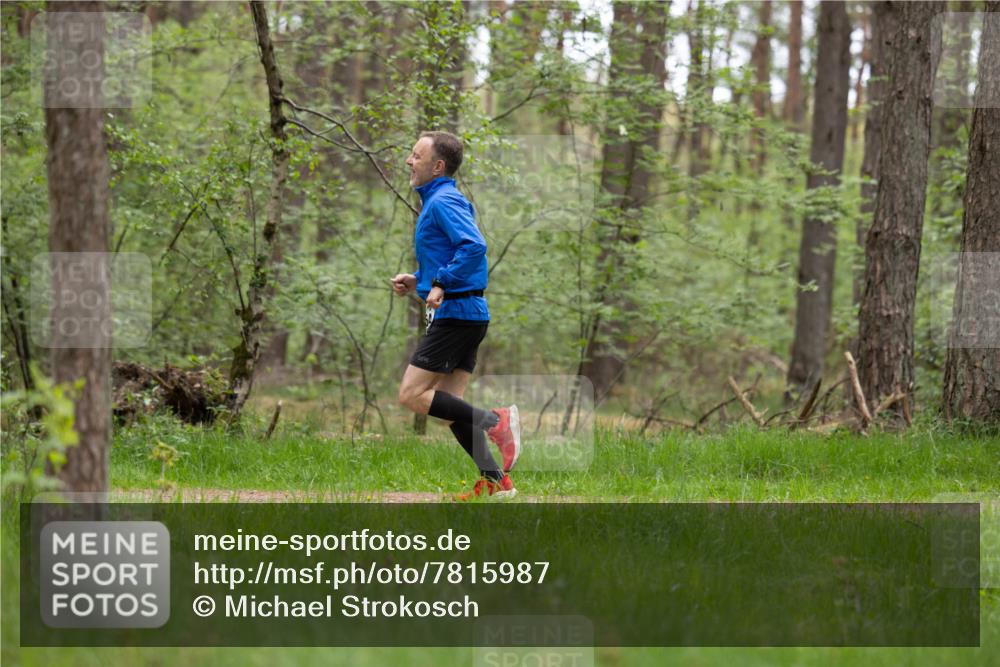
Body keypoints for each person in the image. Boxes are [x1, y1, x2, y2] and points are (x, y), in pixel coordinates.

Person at [391, 131, 522, 500]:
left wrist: (441, 282)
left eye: (416, 155)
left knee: (412, 395)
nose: (408, 161)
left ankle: (496, 421)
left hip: (457, 313)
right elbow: (452, 252)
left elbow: (474, 247)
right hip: (467, 312)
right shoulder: (441, 199)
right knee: (451, 409)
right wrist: (419, 279)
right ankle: (498, 483)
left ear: (438, 166)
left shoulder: (443, 201)